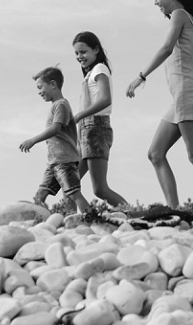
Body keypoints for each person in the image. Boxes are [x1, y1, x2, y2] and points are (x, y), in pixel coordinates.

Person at [126, 0, 193, 212]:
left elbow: (166, 48)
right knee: (155, 153)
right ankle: (173, 210)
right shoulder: (191, 27)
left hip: (186, 95)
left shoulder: (179, 15)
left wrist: (141, 76)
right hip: (181, 99)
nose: (156, 2)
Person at [18, 66, 93, 216]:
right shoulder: (56, 105)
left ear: (53, 84)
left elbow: (55, 128)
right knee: (40, 194)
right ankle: (42, 222)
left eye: (40, 87)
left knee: (73, 193)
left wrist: (33, 140)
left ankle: (92, 217)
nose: (39, 92)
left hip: (65, 160)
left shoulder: (61, 105)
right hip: (53, 162)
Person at [69, 31, 129, 210]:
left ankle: (133, 214)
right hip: (87, 130)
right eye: (77, 53)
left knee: (100, 189)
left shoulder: (99, 69)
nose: (80, 56)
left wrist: (79, 115)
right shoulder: (89, 74)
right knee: (70, 184)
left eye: (83, 51)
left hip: (96, 129)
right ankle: (67, 221)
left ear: (96, 50)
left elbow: (105, 99)